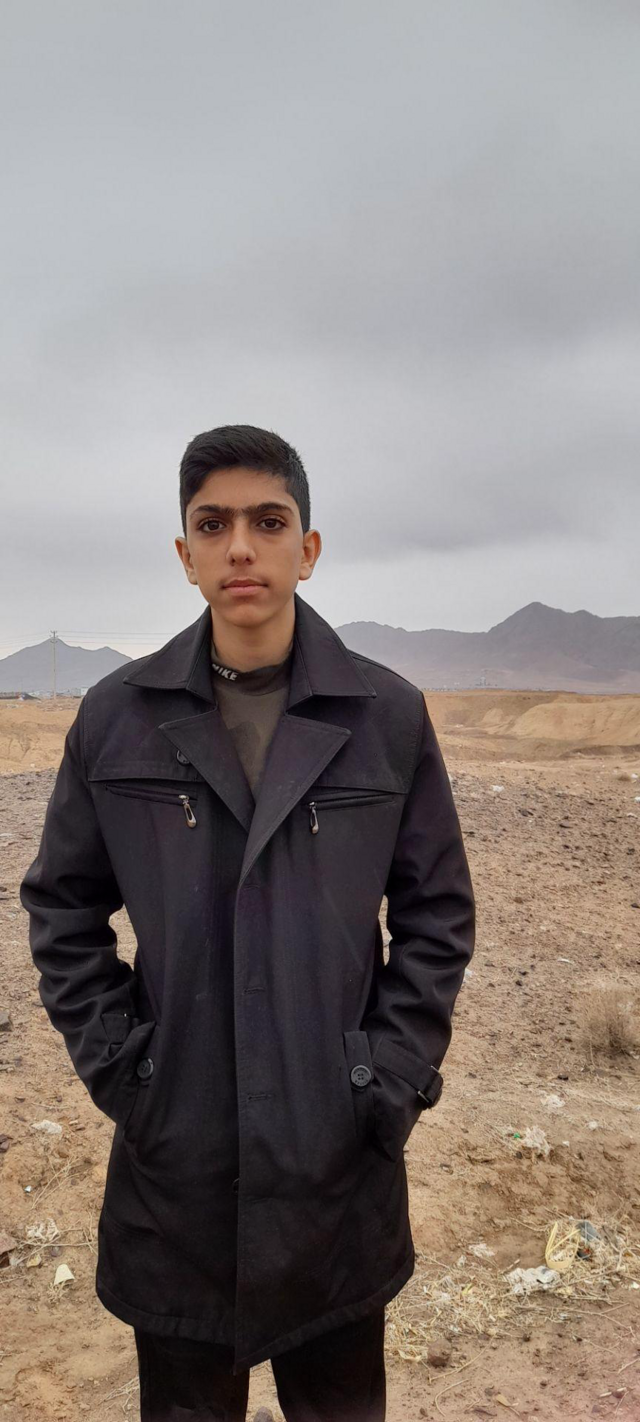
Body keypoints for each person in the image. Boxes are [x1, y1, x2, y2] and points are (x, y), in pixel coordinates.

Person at [20, 424, 475, 1421]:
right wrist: (129, 1071)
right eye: (212, 524)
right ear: (183, 553)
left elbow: (437, 912)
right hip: (178, 1165)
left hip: (334, 1161)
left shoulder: (386, 718)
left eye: (268, 522)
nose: (240, 547)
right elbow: (62, 904)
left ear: (307, 549)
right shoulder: (117, 718)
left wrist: (388, 1078)